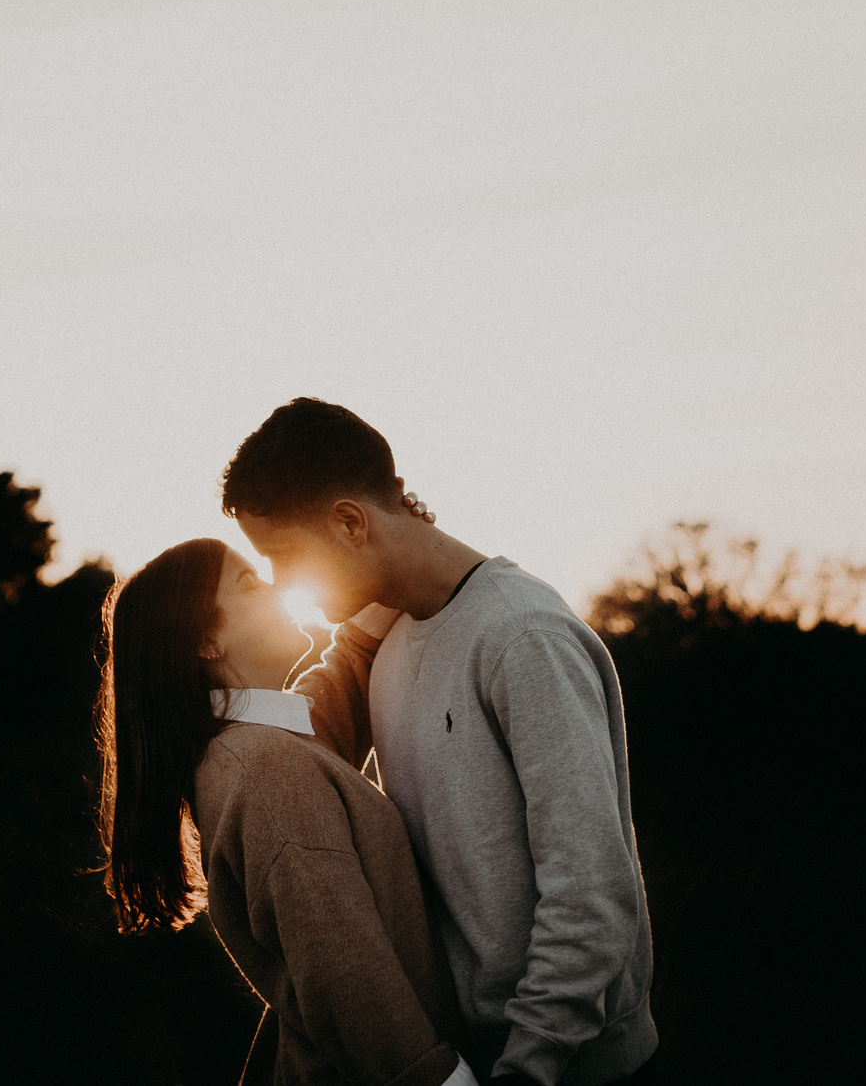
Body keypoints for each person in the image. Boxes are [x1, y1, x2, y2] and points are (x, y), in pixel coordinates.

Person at [224, 399, 661, 1086]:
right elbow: (317, 716)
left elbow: (593, 895)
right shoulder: (389, 633)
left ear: (349, 521)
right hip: (468, 1050)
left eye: (283, 557)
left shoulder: (523, 637)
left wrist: (528, 1064)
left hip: (570, 1066)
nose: (283, 586)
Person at [98, 534, 483, 1086]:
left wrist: (386, 550)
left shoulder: (260, 746)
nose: (278, 586)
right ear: (207, 639)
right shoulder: (263, 768)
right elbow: (344, 971)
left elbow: (345, 677)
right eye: (251, 582)